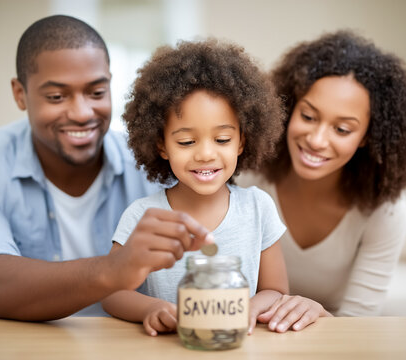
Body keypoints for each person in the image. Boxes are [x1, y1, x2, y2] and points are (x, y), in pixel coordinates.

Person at [0, 15, 214, 320]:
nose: (82, 113)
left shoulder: (157, 165)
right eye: (56, 96)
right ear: (20, 94)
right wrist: (112, 270)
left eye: (96, 93)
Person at [101, 39, 308, 337]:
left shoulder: (257, 208)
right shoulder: (143, 215)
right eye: (187, 142)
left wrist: (249, 309)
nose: (206, 154)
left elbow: (275, 289)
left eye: (222, 139)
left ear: (242, 141)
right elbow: (112, 293)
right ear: (161, 145)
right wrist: (150, 309)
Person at [236, 30, 406, 317]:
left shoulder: (384, 212)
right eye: (308, 116)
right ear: (288, 109)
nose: (316, 140)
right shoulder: (246, 178)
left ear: (367, 136)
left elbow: (359, 322)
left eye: (342, 129)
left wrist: (318, 314)